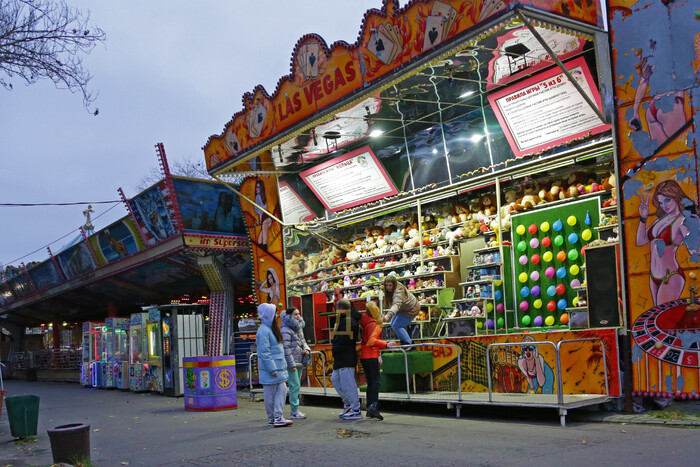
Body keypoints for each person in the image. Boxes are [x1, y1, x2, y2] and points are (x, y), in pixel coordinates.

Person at [636, 180, 700, 306]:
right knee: (659, 320)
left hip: (671, 276)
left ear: (676, 197)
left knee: (664, 321)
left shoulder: (683, 220)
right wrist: (643, 218)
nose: (664, 205)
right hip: (654, 277)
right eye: (661, 202)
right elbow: (640, 241)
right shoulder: (661, 220)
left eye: (667, 200)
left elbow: (696, 251)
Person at [255, 303, 292, 427]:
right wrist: (272, 369)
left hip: (276, 369)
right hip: (273, 369)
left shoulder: (267, 329)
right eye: (274, 313)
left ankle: (274, 417)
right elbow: (265, 353)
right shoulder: (265, 331)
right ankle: (276, 417)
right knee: (275, 393)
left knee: (277, 392)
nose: (276, 315)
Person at [360, 302, 395, 420]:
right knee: (375, 382)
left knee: (371, 382)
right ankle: (373, 406)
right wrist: (386, 344)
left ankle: (370, 407)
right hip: (371, 355)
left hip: (365, 355)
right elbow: (372, 341)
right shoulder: (372, 324)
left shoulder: (366, 322)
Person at [331, 299, 362, 420]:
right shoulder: (345, 320)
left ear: (338, 308)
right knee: (336, 380)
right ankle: (349, 404)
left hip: (345, 356)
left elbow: (345, 339)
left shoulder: (348, 320)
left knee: (348, 384)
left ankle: (355, 409)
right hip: (341, 357)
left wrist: (336, 347)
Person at [281, 307, 311, 420]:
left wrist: (306, 349)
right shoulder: (286, 329)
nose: (298, 316)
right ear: (289, 316)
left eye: (298, 314)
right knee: (294, 386)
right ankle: (294, 410)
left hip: (299, 360)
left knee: (297, 386)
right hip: (292, 362)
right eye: (295, 314)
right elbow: (286, 348)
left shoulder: (298, 329)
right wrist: (291, 364)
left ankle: (295, 409)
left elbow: (302, 342)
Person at [381, 275, 420, 347]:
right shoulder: (392, 287)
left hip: (411, 309)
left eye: (390, 285)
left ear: (394, 284)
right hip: (403, 308)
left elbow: (396, 306)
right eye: (386, 285)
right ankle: (404, 342)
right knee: (393, 324)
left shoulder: (398, 292)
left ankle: (409, 344)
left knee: (397, 326)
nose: (388, 287)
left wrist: (388, 316)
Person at [254, 179, 273, 250]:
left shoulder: (258, 196)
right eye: (256, 187)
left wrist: (255, 207)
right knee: (263, 232)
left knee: (264, 234)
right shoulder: (262, 196)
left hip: (264, 216)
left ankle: (262, 246)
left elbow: (259, 210)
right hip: (268, 216)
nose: (256, 189)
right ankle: (260, 245)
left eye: (258, 187)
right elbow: (264, 208)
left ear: (261, 188)